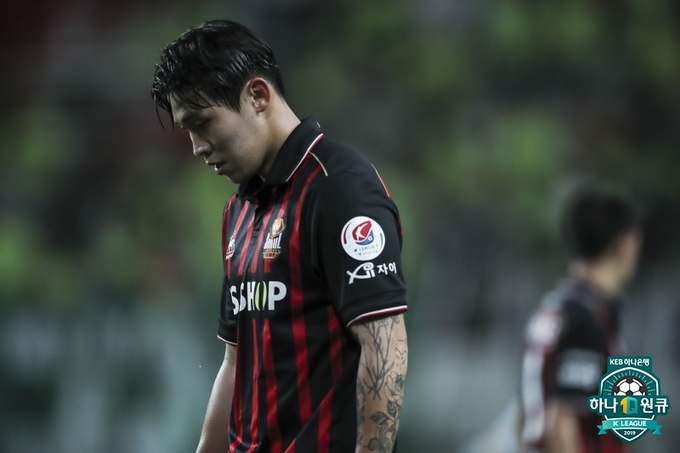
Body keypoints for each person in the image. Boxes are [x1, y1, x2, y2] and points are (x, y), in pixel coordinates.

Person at [151, 20, 408, 453]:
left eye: (203, 123)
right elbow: (235, 364)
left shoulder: (339, 189)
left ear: (257, 96)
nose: (197, 146)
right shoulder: (239, 210)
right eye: (187, 130)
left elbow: (384, 346)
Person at [518, 181, 642, 453]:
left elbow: (528, 416)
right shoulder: (586, 319)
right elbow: (562, 421)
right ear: (624, 244)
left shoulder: (558, 307)